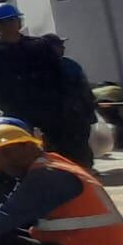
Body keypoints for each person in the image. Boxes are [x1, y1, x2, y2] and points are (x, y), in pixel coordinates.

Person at [0, 3, 87, 166]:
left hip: (53, 113)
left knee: (64, 155)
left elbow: (59, 76)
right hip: (18, 116)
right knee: (25, 159)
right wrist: (14, 110)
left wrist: (63, 105)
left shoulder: (39, 46)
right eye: (2, 23)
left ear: (19, 22)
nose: (8, 26)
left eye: (12, 20)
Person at [41, 33, 96, 167]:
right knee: (74, 151)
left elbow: (85, 92)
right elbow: (85, 91)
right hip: (66, 118)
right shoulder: (66, 66)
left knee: (69, 151)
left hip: (71, 117)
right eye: (60, 45)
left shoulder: (68, 64)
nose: (63, 48)